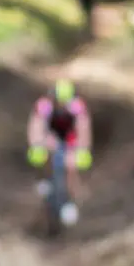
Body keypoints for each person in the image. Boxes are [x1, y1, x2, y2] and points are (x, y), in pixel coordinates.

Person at [26, 79, 92, 225]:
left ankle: (70, 201)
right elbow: (35, 127)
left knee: (70, 165)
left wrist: (82, 149)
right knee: (44, 156)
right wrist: (37, 144)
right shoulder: (44, 105)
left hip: (69, 138)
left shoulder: (77, 107)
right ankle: (45, 180)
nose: (61, 104)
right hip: (50, 137)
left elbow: (83, 128)